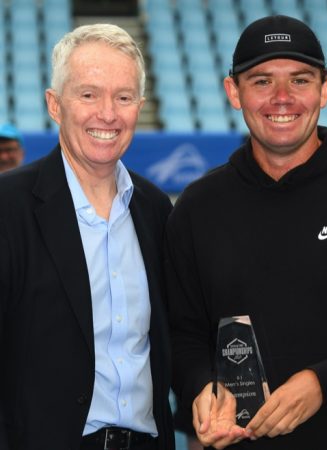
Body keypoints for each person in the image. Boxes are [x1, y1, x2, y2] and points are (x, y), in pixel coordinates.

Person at [165, 15, 327, 450]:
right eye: (262, 81)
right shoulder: (197, 206)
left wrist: (324, 382)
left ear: (326, 89)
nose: (282, 98)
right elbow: (182, 334)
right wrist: (201, 387)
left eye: (300, 80)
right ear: (234, 92)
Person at [0, 24, 175, 450]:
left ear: (140, 106)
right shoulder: (8, 206)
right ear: (55, 105)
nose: (108, 114)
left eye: (123, 96)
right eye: (89, 94)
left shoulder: (155, 209)